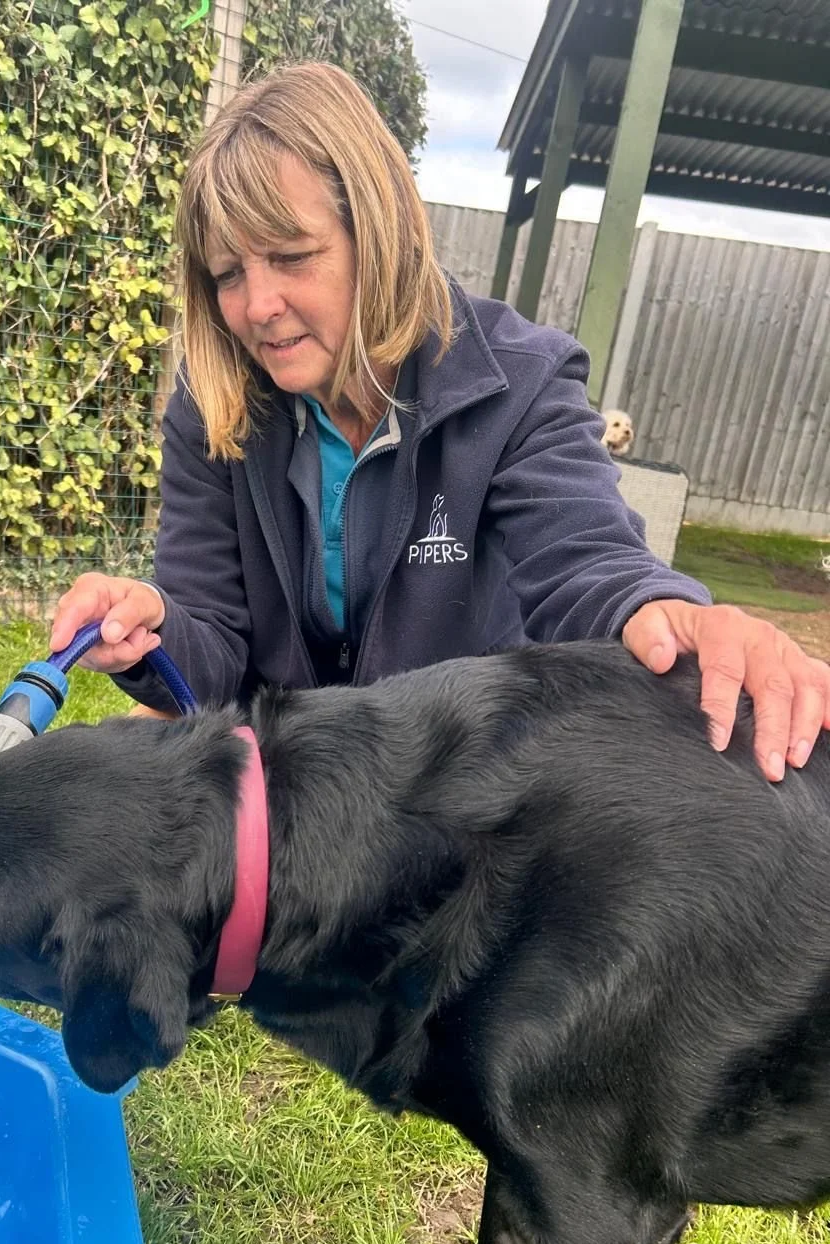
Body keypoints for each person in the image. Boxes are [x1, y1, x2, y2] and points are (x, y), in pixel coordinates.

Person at [50, 62, 830, 781]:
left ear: (377, 233)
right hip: (285, 794)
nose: (257, 307)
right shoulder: (214, 406)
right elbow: (214, 656)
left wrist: (675, 618)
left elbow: (591, 568)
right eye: (228, 274)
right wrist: (152, 629)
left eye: (290, 257)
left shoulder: (520, 382)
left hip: (454, 798)